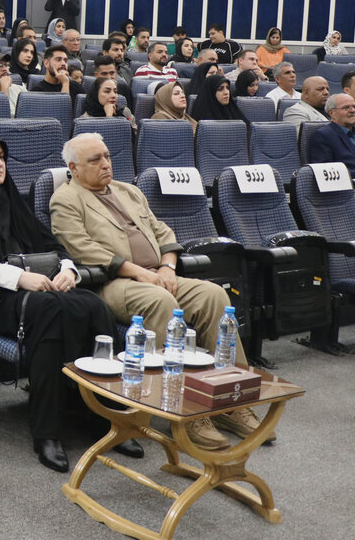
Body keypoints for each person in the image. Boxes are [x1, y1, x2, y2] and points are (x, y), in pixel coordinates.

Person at [50, 133, 265, 450]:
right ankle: (186, 412)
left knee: (214, 296)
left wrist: (167, 267)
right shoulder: (66, 200)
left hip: (156, 275)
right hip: (112, 284)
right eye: (95, 160)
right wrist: (139, 272)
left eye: (107, 156)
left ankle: (229, 401)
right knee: (161, 301)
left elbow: (162, 232)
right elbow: (81, 248)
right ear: (74, 168)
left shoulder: (129, 191)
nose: (106, 164)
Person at [0, 133, 121, 471]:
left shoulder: (11, 197)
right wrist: (17, 277)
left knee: (94, 306)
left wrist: (67, 269)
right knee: (50, 310)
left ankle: (105, 418)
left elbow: (50, 243)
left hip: (34, 291)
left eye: (2, 157)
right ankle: (46, 432)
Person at [309, 94, 355, 177]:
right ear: (332, 113)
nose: (352, 111)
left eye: (354, 107)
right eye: (346, 107)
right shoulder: (323, 136)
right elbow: (326, 171)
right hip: (351, 182)